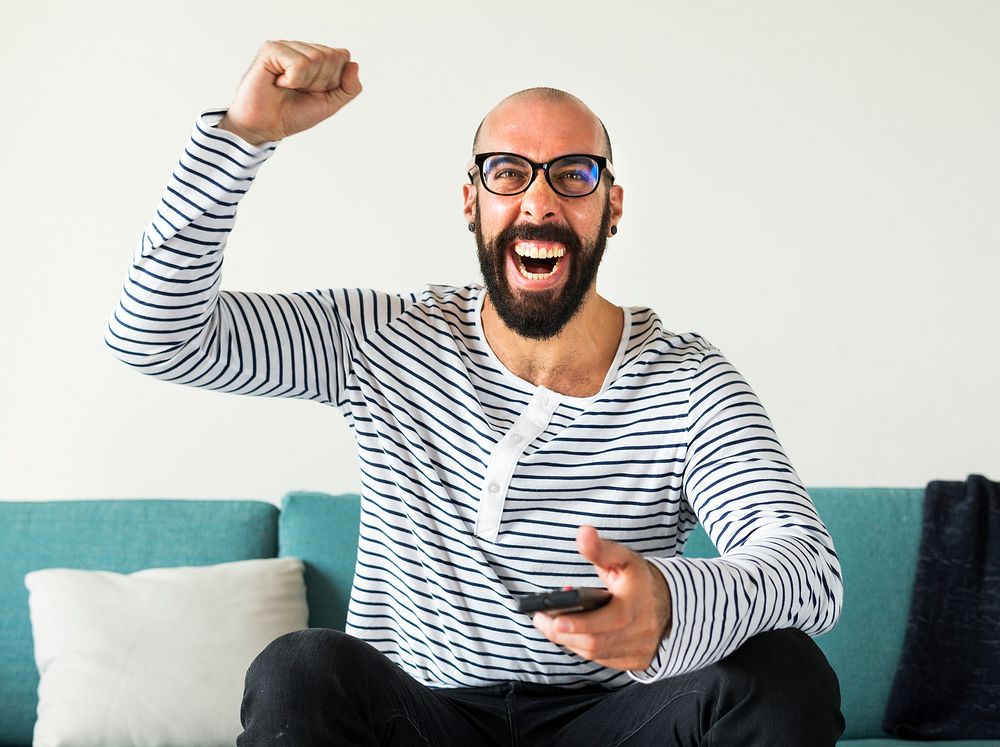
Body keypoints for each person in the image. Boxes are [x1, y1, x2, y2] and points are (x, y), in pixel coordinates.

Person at [106, 40, 845, 746]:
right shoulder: (383, 340)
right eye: (508, 173)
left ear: (611, 208)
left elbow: (807, 567)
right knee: (299, 666)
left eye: (574, 175)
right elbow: (153, 333)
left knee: (782, 675)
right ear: (472, 201)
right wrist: (240, 138)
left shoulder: (689, 383)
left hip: (611, 722)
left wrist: (675, 602)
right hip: (422, 718)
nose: (539, 201)